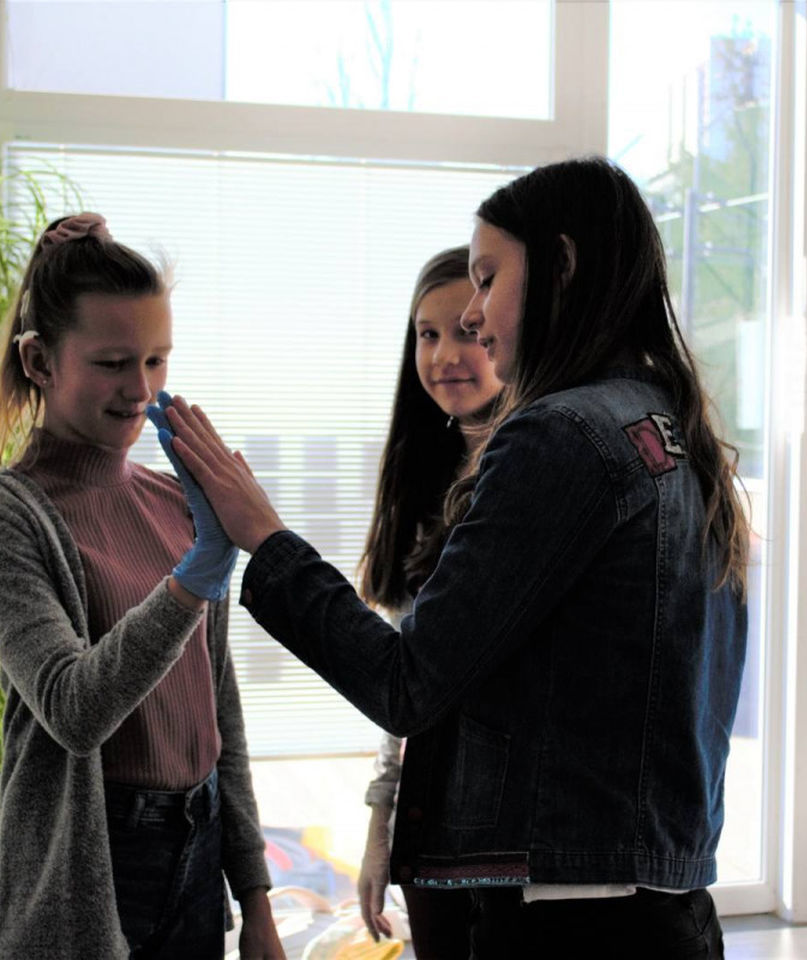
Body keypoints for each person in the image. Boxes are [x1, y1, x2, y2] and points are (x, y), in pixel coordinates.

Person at [154, 157, 750, 959]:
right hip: (657, 906)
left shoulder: (562, 437)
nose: (474, 316)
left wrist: (265, 536)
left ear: (562, 266)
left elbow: (408, 682)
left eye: (488, 279)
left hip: (571, 924)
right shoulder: (666, 427)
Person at [0, 213, 284, 960]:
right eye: (113, 363)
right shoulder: (15, 516)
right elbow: (73, 708)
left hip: (201, 847)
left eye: (157, 360)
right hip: (96, 863)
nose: (141, 389)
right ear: (38, 360)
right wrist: (193, 579)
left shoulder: (174, 501)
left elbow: (217, 709)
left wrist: (255, 898)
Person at [356, 245, 502, 956]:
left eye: (467, 332)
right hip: (429, 816)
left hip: (502, 830)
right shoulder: (425, 474)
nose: (445, 355)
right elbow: (404, 674)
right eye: (427, 333)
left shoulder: (532, 473)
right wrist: (380, 822)